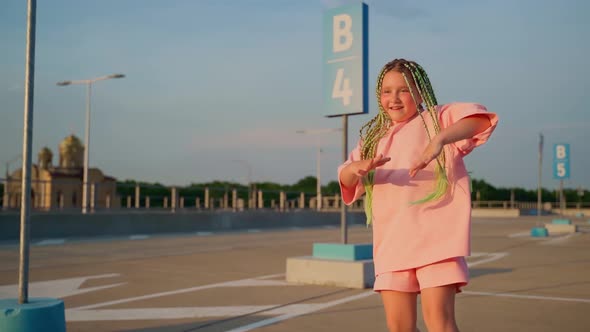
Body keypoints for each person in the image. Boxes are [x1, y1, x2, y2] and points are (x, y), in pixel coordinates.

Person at [338, 58, 498, 332]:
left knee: (439, 322)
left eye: (403, 90)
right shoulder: (373, 138)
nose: (394, 98)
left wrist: (440, 140)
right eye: (387, 91)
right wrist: (356, 167)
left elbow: (480, 119)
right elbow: (345, 178)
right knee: (399, 327)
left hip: (437, 242)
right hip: (391, 245)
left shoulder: (437, 119)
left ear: (420, 93)